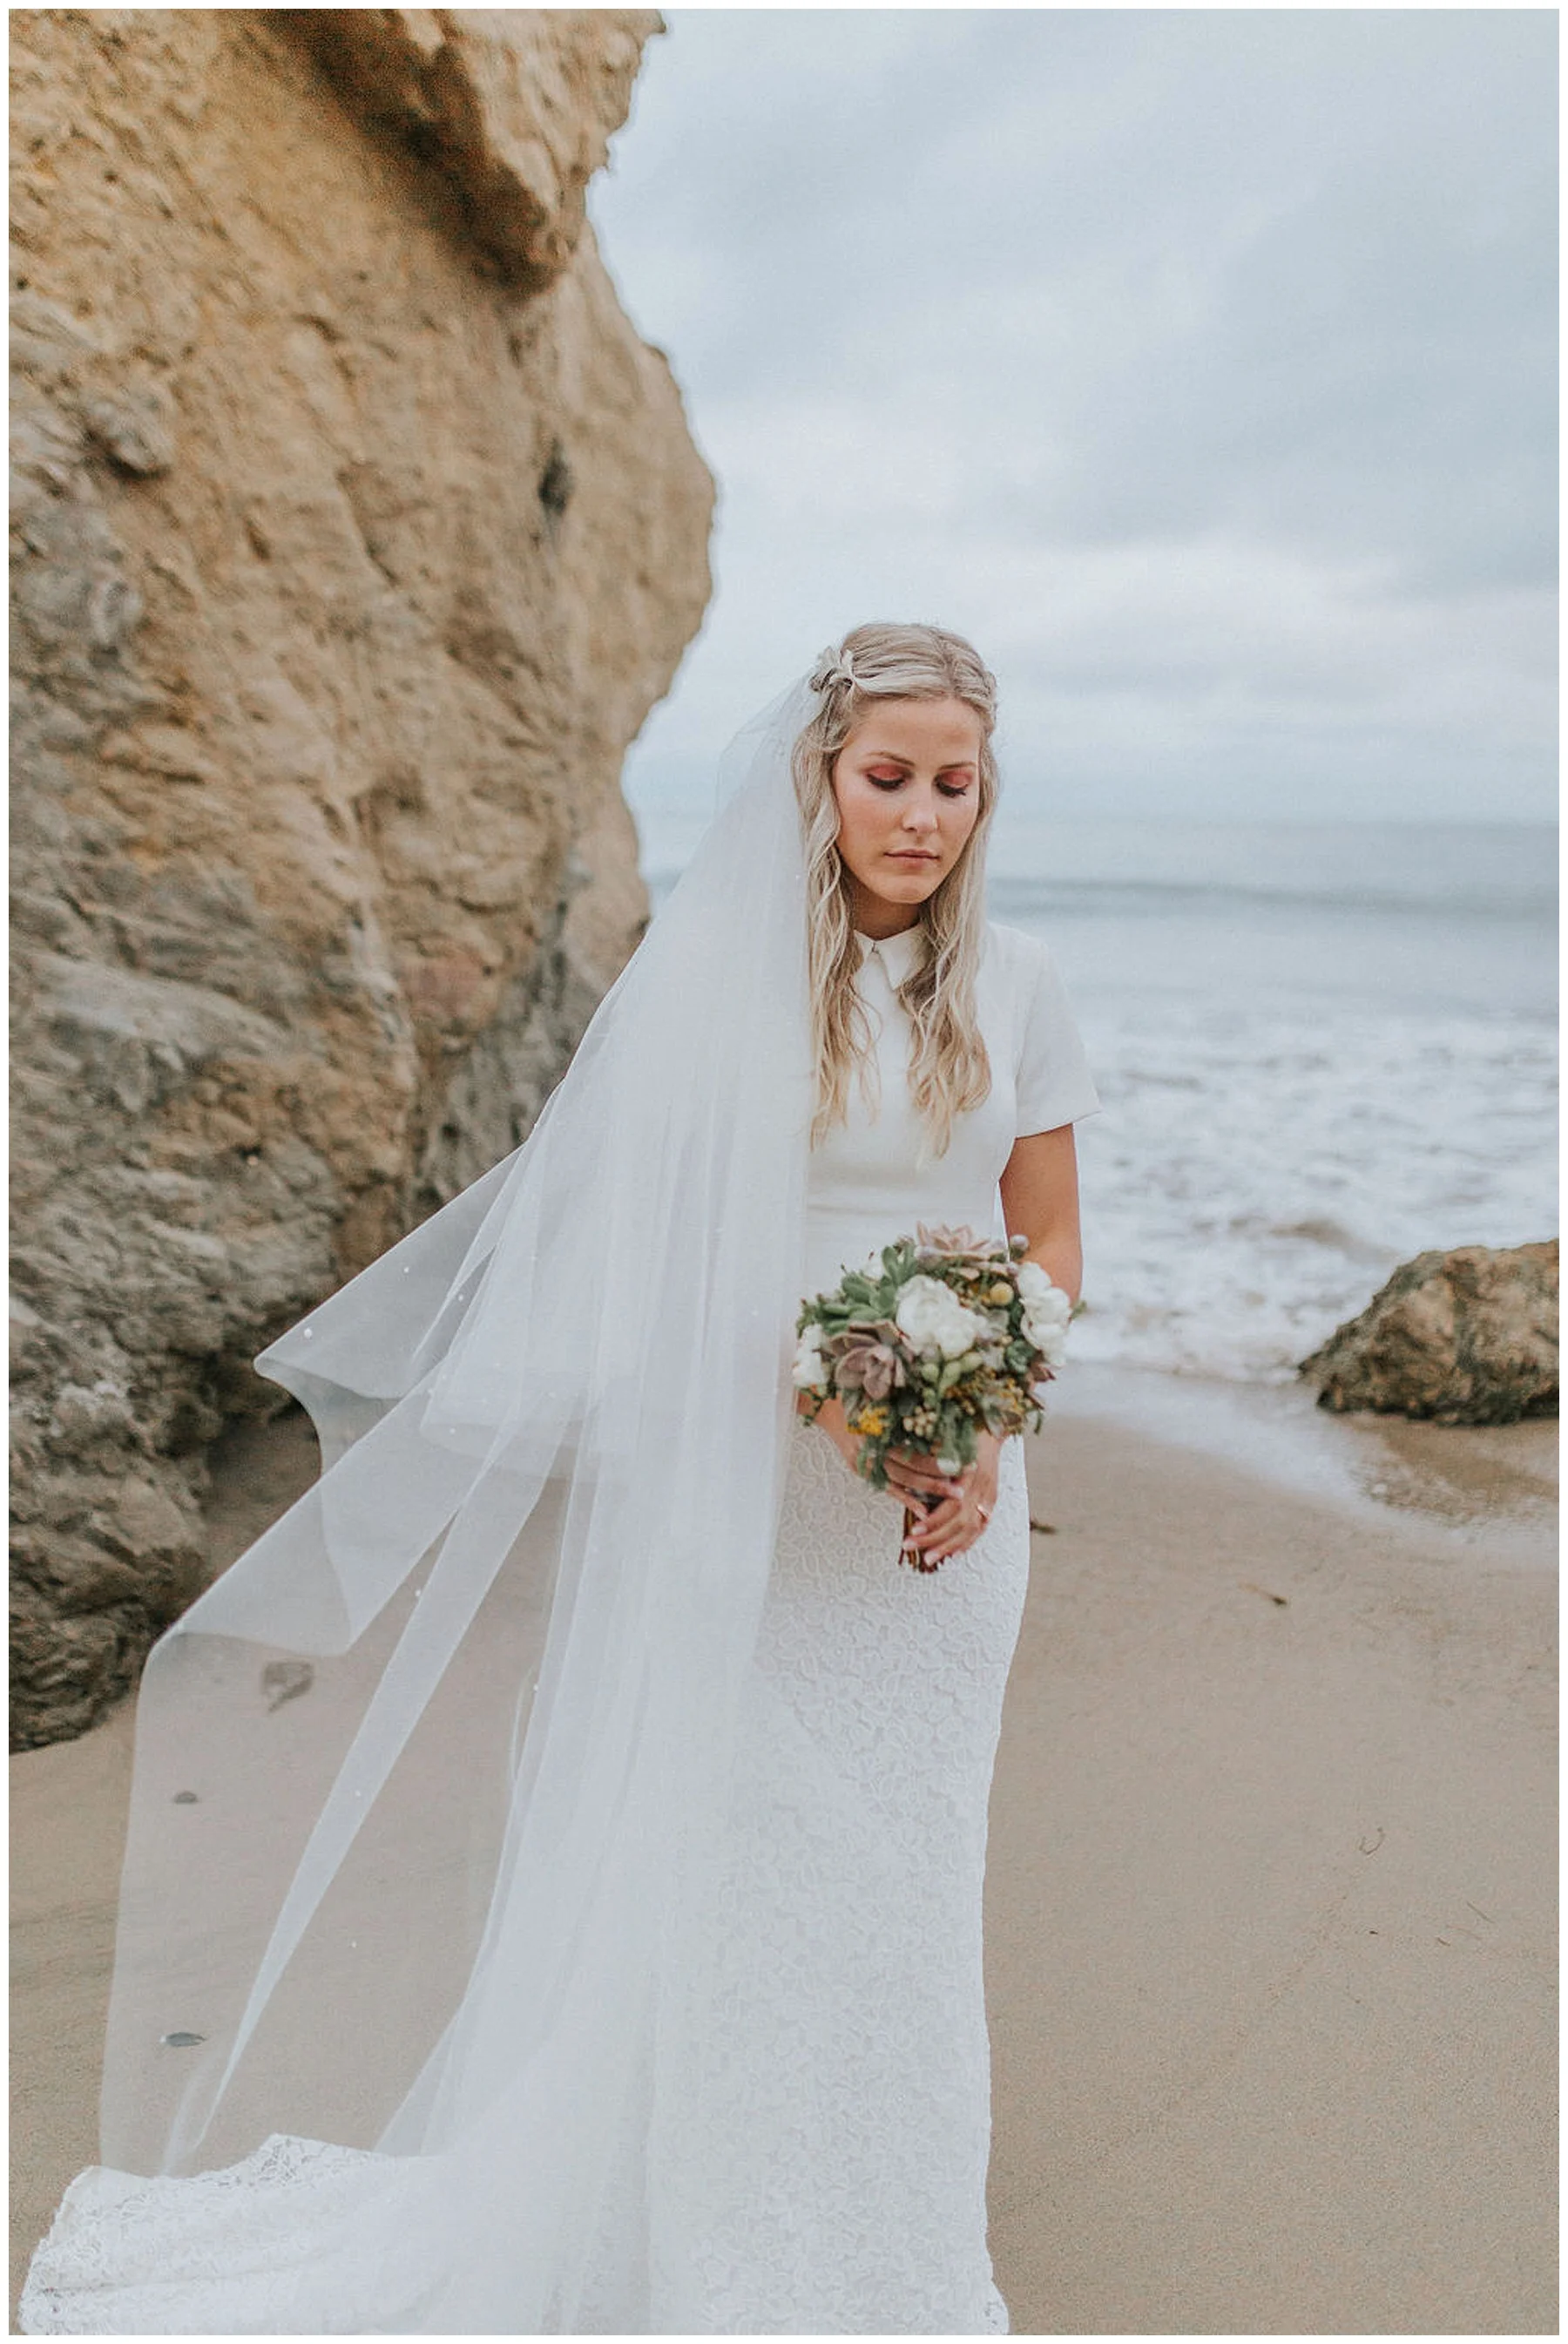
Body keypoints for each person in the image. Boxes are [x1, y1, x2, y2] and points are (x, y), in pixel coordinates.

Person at [22, 621, 1099, 2335]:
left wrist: (974, 1420)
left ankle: (891, 2254)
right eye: (888, 775)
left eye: (954, 782)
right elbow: (658, 1257)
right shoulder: (722, 977)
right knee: (742, 1867)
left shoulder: (1022, 983)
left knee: (907, 1878)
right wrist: (836, 1402)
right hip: (758, 1477)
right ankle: (724, 2248)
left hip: (955, 1508)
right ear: (822, 777)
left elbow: (1048, 1238)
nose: (922, 814)